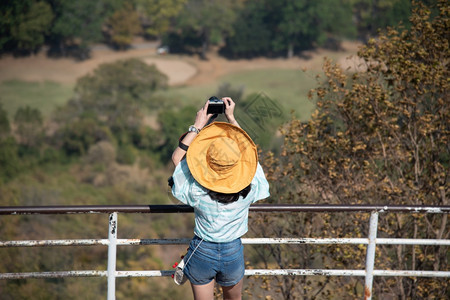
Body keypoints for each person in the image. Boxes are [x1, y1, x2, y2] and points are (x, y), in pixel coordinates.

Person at [171, 97, 270, 300]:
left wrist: (198, 125)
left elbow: (177, 159)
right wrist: (232, 119)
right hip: (233, 251)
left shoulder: (197, 191)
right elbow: (252, 157)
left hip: (202, 249)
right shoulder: (249, 188)